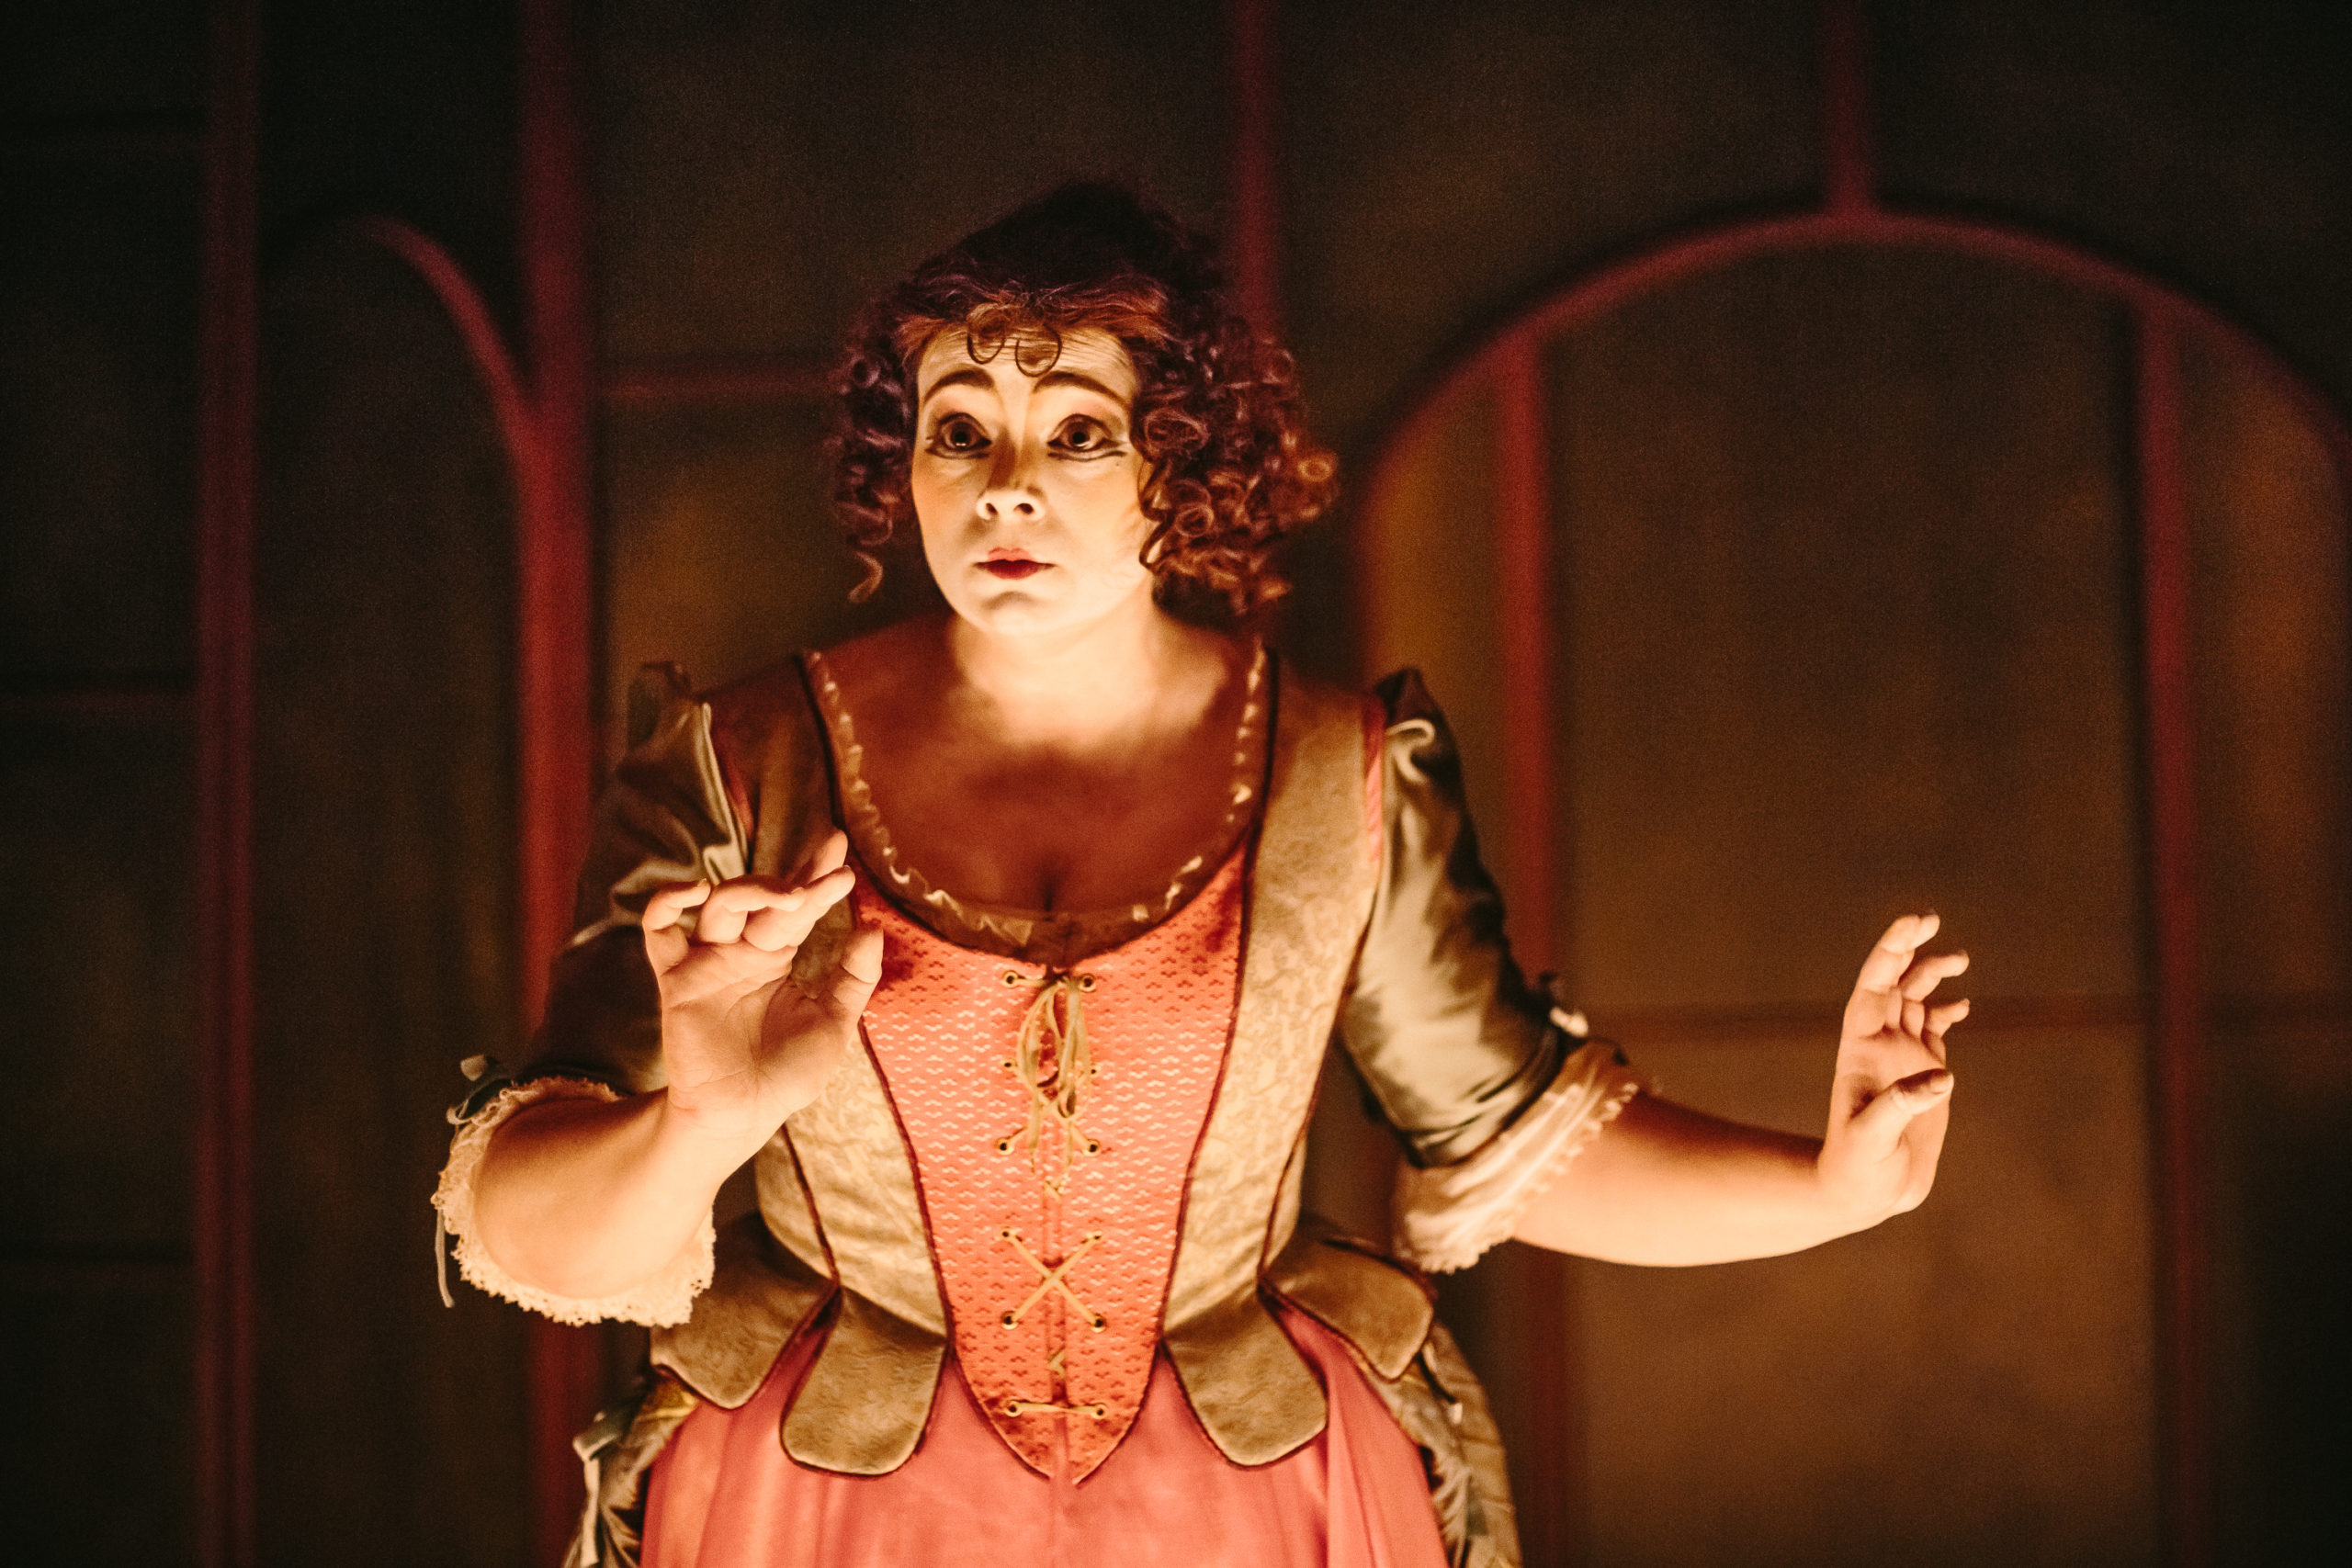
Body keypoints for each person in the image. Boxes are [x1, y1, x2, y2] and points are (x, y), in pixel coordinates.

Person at [432, 184, 1967, 1568]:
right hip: (825, 1508)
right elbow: (522, 1231)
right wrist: (699, 1125)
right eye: (958, 429)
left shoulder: (1338, 773)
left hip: (1261, 1502)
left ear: (1188, 459)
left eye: (1077, 433)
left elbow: (1509, 1134)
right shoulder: (736, 765)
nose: (1006, 486)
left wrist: (1831, 1188)